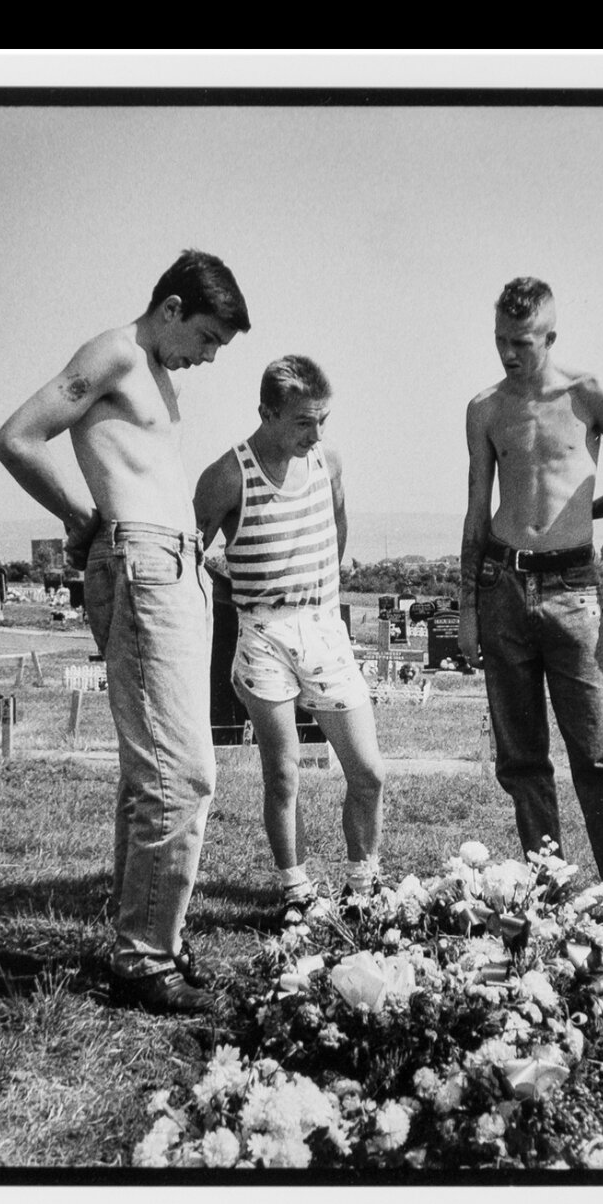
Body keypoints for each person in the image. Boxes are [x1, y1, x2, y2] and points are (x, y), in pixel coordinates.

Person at [0, 248, 250, 1012]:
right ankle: (143, 959)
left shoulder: (156, 374)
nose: (206, 358)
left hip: (176, 566)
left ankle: (149, 936)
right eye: (205, 339)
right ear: (171, 308)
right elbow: (17, 437)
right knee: (184, 772)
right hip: (140, 565)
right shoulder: (114, 350)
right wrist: (78, 517)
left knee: (157, 774)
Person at [458, 276, 603, 925]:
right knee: (521, 760)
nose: (508, 354)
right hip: (502, 590)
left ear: (550, 335)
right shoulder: (485, 409)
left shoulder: (588, 396)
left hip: (573, 593)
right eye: (499, 340)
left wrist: (586, 513)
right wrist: (466, 609)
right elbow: (476, 511)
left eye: (521, 342)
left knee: (600, 754)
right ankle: (549, 898)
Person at [193, 356, 386, 925]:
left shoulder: (328, 461)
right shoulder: (228, 475)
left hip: (323, 626)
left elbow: (339, 522)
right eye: (304, 422)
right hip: (262, 634)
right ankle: (296, 889)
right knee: (283, 773)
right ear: (266, 414)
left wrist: (321, 582)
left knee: (368, 771)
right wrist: (235, 591)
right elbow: (191, 555)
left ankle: (362, 883)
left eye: (323, 419)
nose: (317, 433)